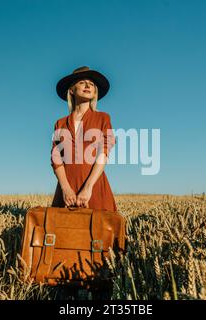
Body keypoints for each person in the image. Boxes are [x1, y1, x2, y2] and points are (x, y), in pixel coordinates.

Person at [50, 66, 117, 300]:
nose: (88, 85)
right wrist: (67, 188)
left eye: (92, 84)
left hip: (95, 189)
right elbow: (56, 157)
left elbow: (104, 152)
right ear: (72, 89)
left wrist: (87, 187)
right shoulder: (60, 123)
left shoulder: (102, 118)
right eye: (82, 82)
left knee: (99, 251)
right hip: (66, 190)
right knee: (65, 246)